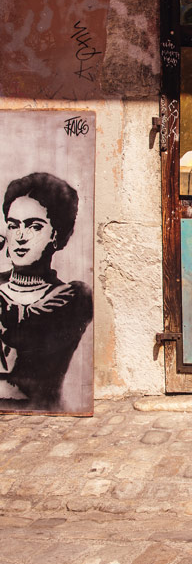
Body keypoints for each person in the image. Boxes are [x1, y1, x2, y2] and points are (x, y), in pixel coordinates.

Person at [0, 173, 93, 411]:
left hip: (39, 414)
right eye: (13, 226)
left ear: (55, 234)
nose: (20, 237)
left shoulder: (72, 297)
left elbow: (26, 329)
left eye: (34, 227)